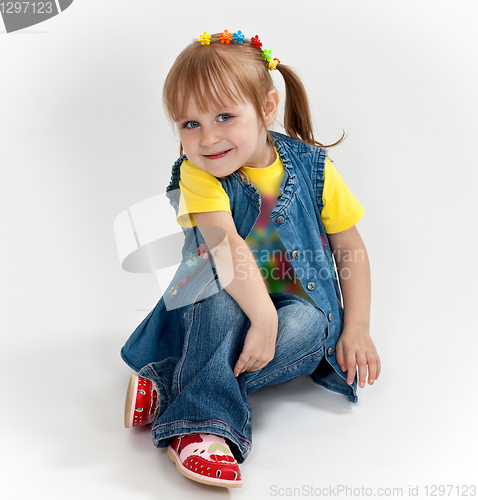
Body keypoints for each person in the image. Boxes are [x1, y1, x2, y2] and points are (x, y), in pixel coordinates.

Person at [120, 29, 381, 489]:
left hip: (293, 303)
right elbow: (226, 247)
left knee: (310, 328)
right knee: (217, 297)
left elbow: (350, 248)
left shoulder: (313, 168)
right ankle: (202, 429)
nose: (207, 138)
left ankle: (168, 383)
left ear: (266, 107)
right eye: (190, 124)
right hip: (217, 292)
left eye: (224, 116)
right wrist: (261, 317)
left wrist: (357, 326)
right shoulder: (197, 174)